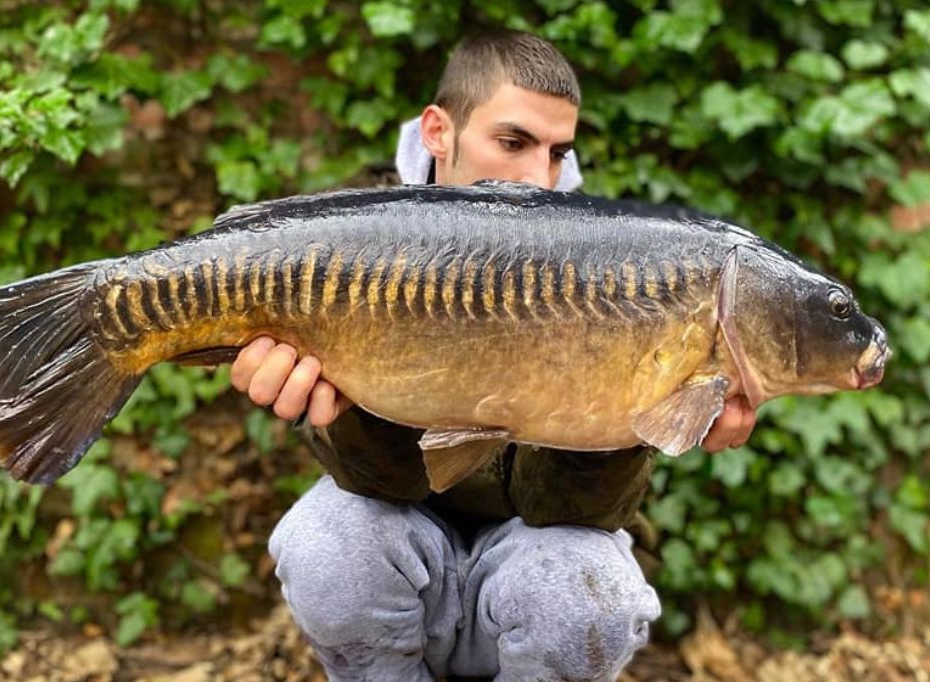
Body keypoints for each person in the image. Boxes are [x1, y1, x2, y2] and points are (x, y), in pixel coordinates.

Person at [231, 31, 757, 682]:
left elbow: (570, 514)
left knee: (586, 587)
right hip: (406, 557)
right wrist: (343, 405)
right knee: (328, 540)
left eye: (558, 152)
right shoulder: (346, 244)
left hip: (533, 561)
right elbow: (383, 486)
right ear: (437, 132)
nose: (539, 176)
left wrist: (635, 412)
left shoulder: (613, 260)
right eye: (512, 143)